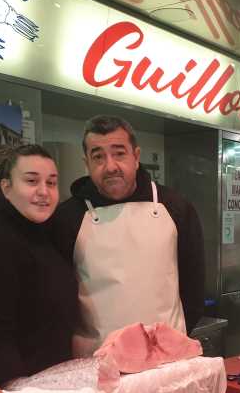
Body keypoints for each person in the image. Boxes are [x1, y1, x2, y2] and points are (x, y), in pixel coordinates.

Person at [53, 115, 205, 356]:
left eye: (119, 153)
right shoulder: (67, 217)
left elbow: (194, 288)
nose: (110, 166)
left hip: (166, 357)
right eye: (98, 157)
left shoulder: (176, 207)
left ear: (136, 156)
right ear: (86, 163)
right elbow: (59, 299)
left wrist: (172, 341)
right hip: (98, 360)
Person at [0, 144, 79, 385]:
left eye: (51, 183)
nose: (44, 191)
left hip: (45, 384)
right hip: (8, 390)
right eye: (32, 181)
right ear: (6, 188)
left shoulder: (45, 235)